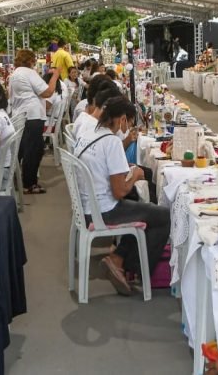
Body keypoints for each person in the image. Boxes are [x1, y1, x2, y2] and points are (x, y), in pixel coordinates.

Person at [73, 97, 170, 296]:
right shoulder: (111, 142)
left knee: (140, 207)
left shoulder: (88, 133)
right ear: (122, 119)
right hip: (103, 211)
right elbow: (119, 192)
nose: (127, 128)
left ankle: (118, 258)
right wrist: (134, 175)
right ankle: (131, 269)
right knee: (162, 216)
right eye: (129, 122)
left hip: (85, 205)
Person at [9, 49, 59, 195]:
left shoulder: (15, 74)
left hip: (21, 115)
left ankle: (17, 179)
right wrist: (54, 77)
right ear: (30, 60)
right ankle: (29, 184)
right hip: (33, 115)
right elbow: (48, 92)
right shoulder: (29, 72)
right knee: (34, 151)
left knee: (23, 150)